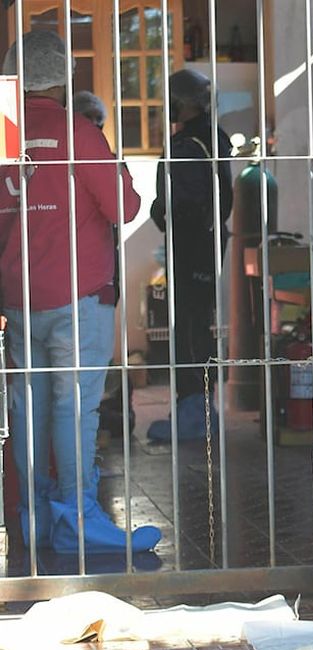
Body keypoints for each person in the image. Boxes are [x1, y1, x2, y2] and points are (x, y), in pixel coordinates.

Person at [0, 31, 161, 553]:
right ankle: (77, 519)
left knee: (28, 407)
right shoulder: (76, 131)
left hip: (18, 295)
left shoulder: (4, 134)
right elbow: (126, 207)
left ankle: (31, 518)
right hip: (78, 294)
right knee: (74, 408)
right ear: (64, 78)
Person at [147, 69, 233, 441]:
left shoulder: (188, 144)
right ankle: (200, 409)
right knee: (199, 324)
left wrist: (158, 211)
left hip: (191, 246)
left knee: (189, 329)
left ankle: (193, 413)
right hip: (208, 244)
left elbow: (178, 205)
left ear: (183, 102)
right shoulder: (214, 137)